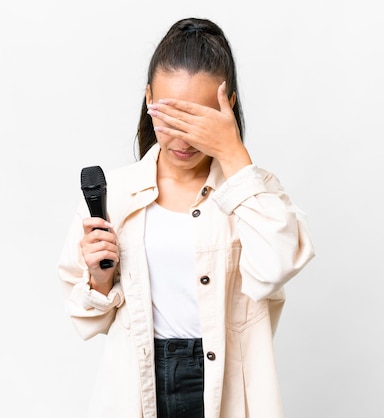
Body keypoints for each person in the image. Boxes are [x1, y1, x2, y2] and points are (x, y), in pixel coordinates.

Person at [58, 17, 315, 418]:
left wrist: (233, 155)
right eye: (168, 115)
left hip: (225, 381)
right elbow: (87, 318)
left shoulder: (257, 193)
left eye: (196, 118)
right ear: (147, 98)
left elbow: (276, 267)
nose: (180, 137)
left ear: (227, 107)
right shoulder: (115, 193)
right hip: (140, 379)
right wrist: (101, 278)